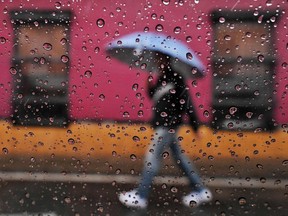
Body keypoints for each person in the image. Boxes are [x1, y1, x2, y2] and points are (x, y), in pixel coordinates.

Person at [118, 52, 212, 209]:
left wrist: (196, 126)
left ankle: (141, 196)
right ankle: (200, 190)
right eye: (156, 58)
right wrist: (149, 85)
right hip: (163, 125)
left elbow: (187, 102)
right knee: (181, 159)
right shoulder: (161, 78)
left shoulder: (176, 77)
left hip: (169, 126)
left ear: (167, 59)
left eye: (160, 58)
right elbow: (156, 97)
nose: (157, 61)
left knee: (152, 159)